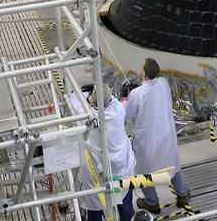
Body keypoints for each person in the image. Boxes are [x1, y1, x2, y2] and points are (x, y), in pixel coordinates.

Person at [123, 58, 190, 214]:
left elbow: (127, 113)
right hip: (166, 137)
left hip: (147, 142)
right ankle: (181, 195)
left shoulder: (137, 94)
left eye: (141, 67)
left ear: (144, 73)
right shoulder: (163, 83)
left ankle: (152, 203)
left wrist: (125, 98)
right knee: (172, 166)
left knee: (145, 171)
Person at [70, 83, 135, 221]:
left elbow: (73, 99)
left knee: (95, 204)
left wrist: (87, 94)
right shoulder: (118, 111)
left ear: (92, 100)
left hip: (96, 170)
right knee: (124, 202)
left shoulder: (85, 115)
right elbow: (113, 99)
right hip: (120, 166)